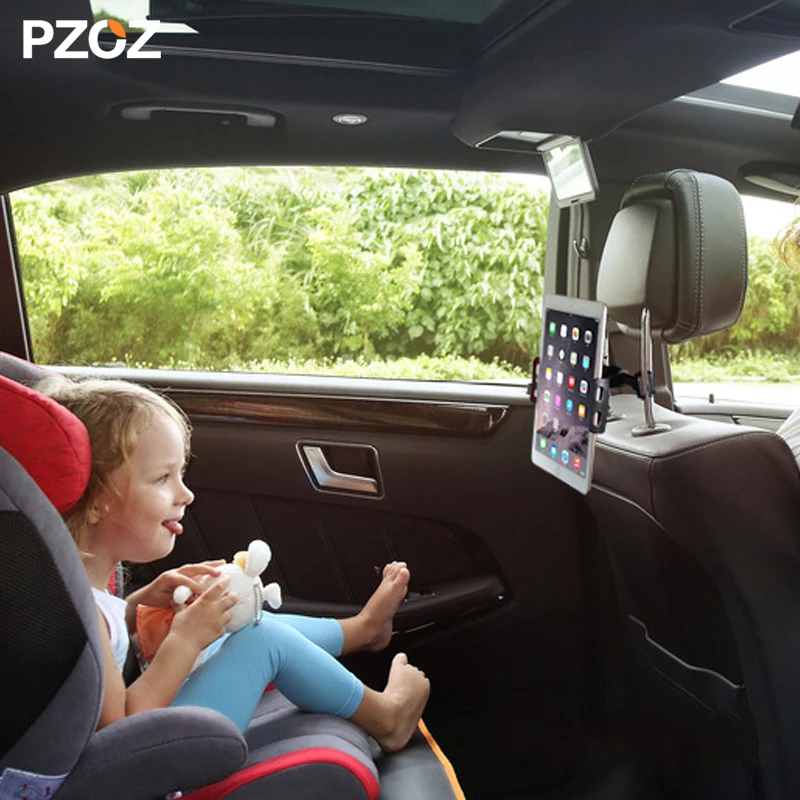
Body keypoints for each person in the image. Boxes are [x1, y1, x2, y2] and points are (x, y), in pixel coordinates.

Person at [36, 377, 430, 752]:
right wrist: (183, 642)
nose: (185, 494)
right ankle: (386, 718)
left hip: (147, 742)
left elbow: (104, 651)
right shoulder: (77, 610)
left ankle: (360, 630)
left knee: (239, 619)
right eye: (161, 479)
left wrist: (137, 606)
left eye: (180, 474)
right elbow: (118, 734)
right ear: (95, 502)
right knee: (263, 641)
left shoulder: (72, 585)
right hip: (147, 765)